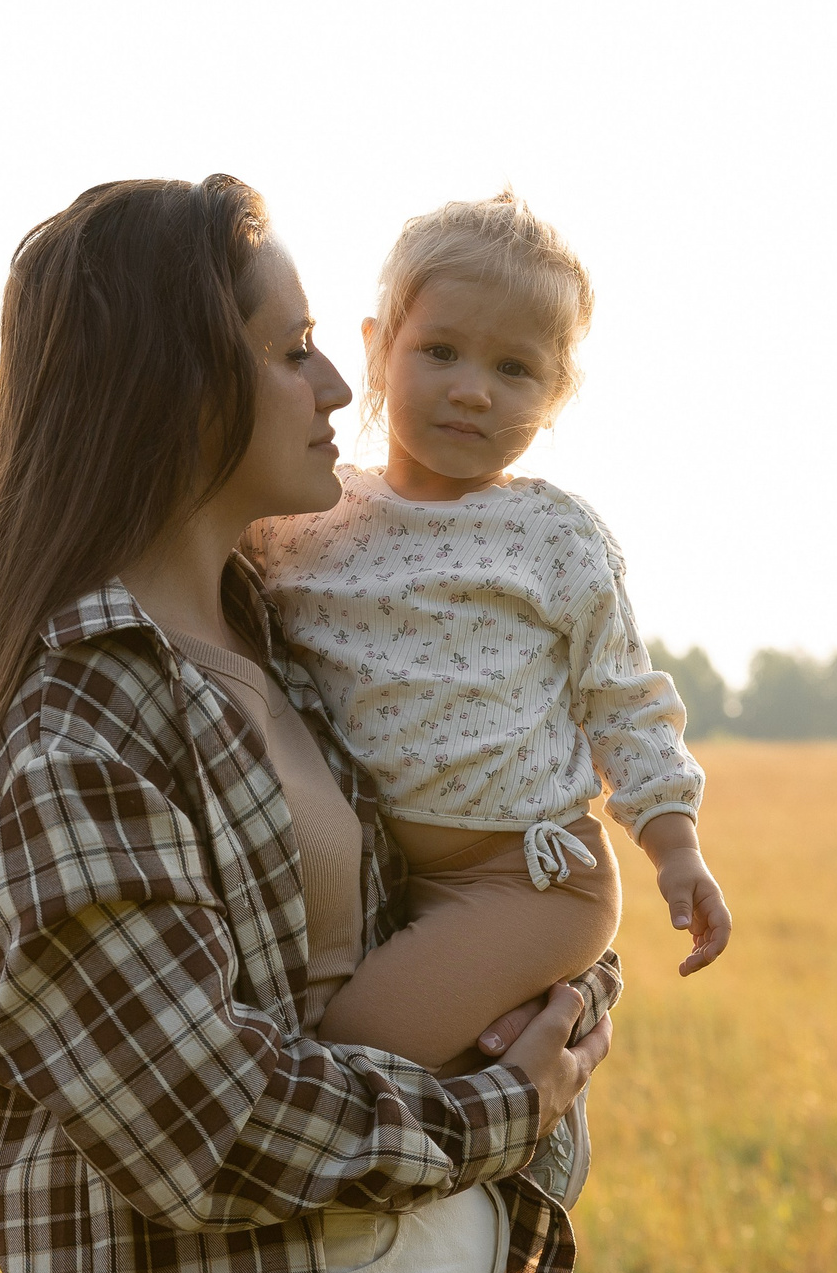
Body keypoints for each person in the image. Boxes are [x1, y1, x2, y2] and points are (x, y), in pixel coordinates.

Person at [0, 175, 614, 1273]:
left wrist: (569, 983)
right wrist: (503, 1102)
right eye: (291, 347)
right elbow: (202, 1123)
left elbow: (471, 890)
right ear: (175, 384)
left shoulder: (290, 646)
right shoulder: (77, 723)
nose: (340, 380)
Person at [248, 192, 732, 1095]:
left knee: (353, 1050)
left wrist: (675, 848)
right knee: (400, 1039)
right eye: (440, 351)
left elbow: (622, 698)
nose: (473, 387)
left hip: (525, 882)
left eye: (514, 368)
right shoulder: (308, 520)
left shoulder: (550, 536)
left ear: (554, 397)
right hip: (389, 879)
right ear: (376, 350)